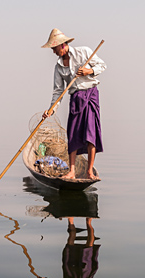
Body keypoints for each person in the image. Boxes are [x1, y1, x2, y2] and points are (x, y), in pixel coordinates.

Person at [41, 29, 106, 180]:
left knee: (91, 133)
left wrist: (88, 71)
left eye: (54, 48)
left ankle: (89, 171)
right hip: (76, 98)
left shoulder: (84, 52)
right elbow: (58, 91)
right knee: (74, 133)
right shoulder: (58, 67)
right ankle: (71, 172)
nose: (53, 52)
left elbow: (102, 65)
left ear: (62, 45)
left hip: (90, 94)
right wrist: (51, 109)